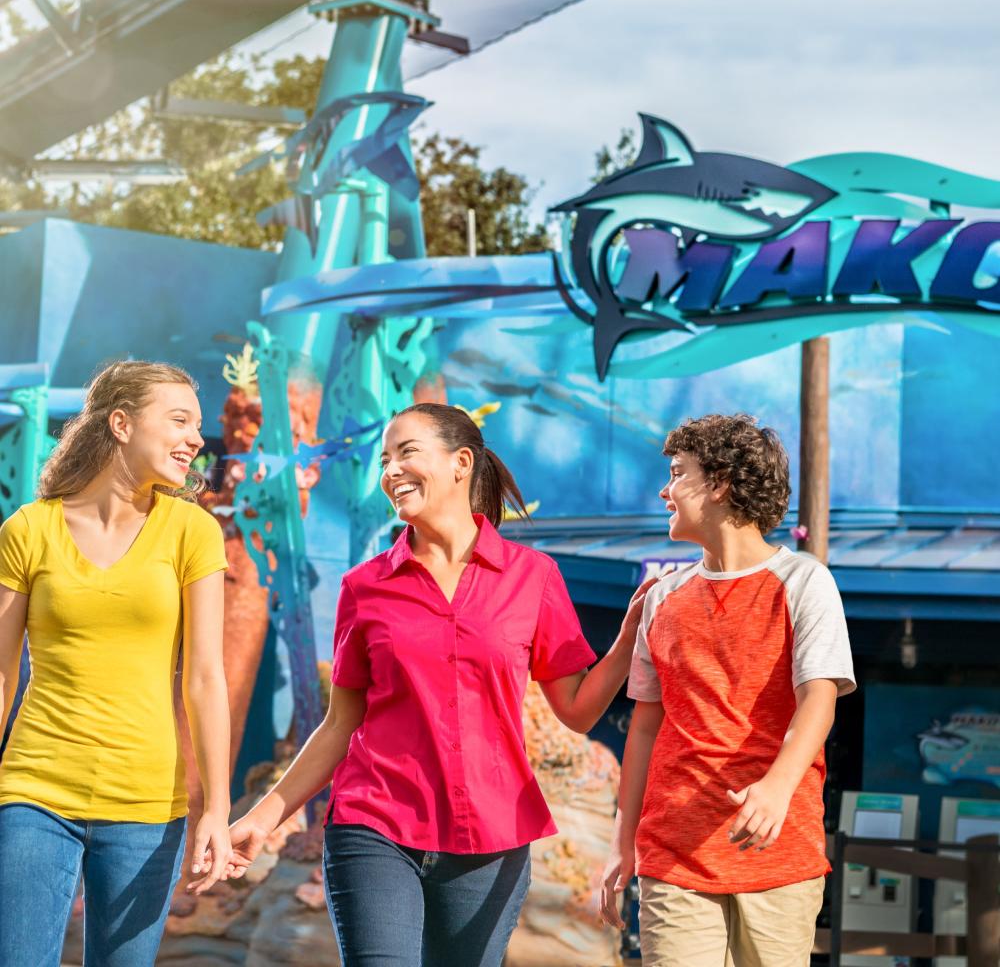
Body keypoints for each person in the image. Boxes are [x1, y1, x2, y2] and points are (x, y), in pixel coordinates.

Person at [228, 402, 653, 967]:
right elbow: (340, 725)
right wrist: (261, 817)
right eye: (385, 460)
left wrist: (625, 643)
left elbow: (575, 709)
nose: (390, 472)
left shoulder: (533, 577)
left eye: (406, 453)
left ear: (461, 463)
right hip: (374, 821)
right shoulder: (365, 587)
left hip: (492, 837)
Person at [600, 413, 856, 966]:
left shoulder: (806, 582)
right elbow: (644, 728)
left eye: (677, 473)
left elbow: (820, 700)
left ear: (718, 483)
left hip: (778, 855)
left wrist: (776, 787)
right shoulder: (659, 599)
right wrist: (624, 840)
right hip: (673, 856)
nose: (665, 490)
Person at [0, 360, 232, 967]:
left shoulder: (193, 532)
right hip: (34, 789)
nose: (196, 438)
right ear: (122, 423)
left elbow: (205, 678)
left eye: (197, 425)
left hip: (148, 805)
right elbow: (0, 675)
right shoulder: (29, 529)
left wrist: (219, 810)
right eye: (179, 420)